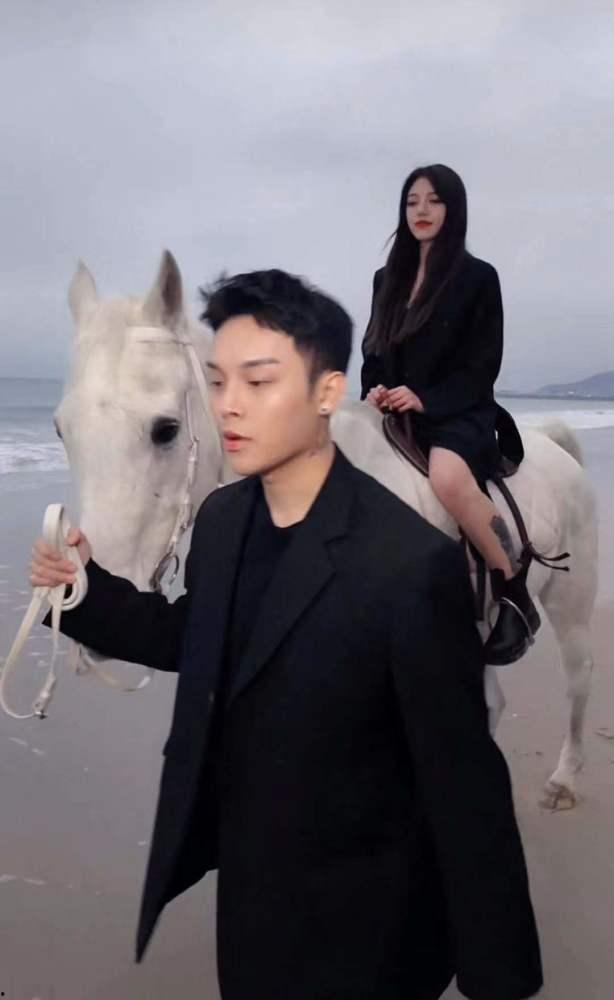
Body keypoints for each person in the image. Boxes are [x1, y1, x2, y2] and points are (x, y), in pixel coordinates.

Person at [31, 269, 542, 1000]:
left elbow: (466, 789)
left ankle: (512, 583)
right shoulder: (223, 525)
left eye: (259, 380)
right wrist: (83, 591)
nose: (229, 405)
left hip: (374, 932)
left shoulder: (411, 564)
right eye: (218, 381)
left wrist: (498, 974)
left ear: (326, 392)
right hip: (252, 907)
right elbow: (198, 634)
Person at [361, 164, 538, 666]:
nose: (421, 210)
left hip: (459, 409)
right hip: (395, 410)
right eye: (412, 201)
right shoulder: (385, 279)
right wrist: (375, 389)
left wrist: (425, 398)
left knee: (447, 477)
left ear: (452, 209)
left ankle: (513, 591)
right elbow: (374, 350)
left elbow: (483, 365)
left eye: (434, 200)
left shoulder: (478, 278)